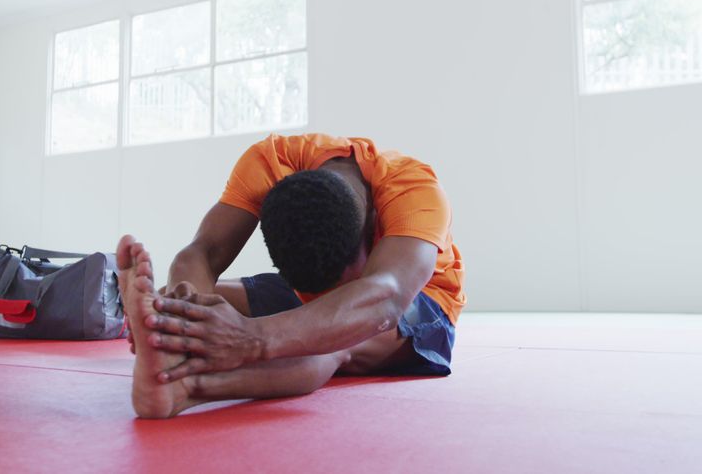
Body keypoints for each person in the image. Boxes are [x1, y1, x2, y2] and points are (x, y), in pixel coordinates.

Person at [115, 133, 465, 418]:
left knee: (334, 340)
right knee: (178, 298)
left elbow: (386, 295)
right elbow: (205, 251)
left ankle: (185, 388)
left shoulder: (413, 187)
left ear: (372, 227)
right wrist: (182, 318)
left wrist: (252, 337)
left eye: (335, 284)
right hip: (322, 292)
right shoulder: (272, 161)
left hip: (418, 302)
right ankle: (175, 343)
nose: (324, 296)